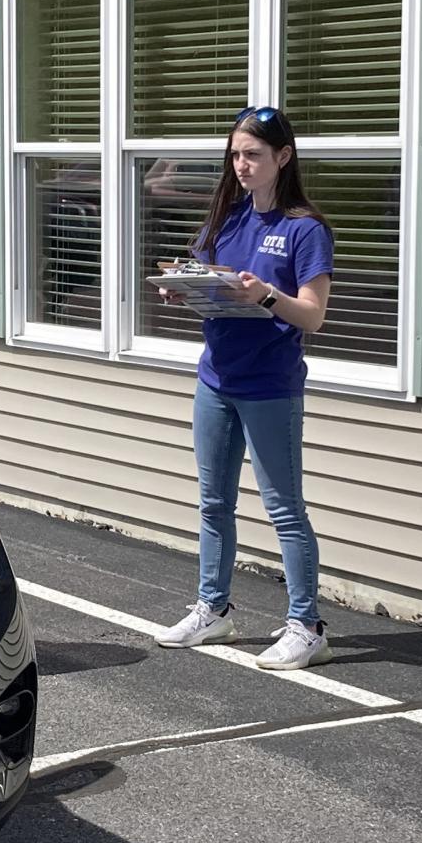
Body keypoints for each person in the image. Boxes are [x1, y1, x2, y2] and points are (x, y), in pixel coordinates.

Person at [155, 106, 335, 671]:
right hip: (216, 380)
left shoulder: (305, 229)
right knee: (213, 502)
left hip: (270, 387)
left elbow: (312, 316)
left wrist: (264, 296)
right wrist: (183, 288)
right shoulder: (225, 221)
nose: (242, 165)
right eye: (235, 154)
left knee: (284, 508)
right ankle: (214, 610)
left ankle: (307, 627)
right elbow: (207, 282)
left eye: (253, 154)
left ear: (283, 157)